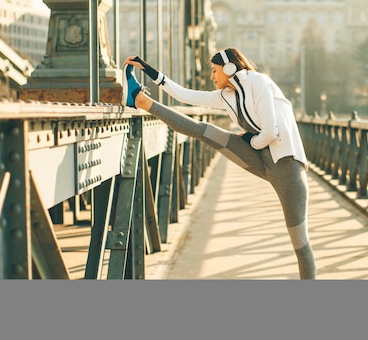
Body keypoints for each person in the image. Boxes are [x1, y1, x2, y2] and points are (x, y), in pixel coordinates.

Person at [122, 48, 316, 280]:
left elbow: (270, 131)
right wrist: (150, 70)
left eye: (214, 71)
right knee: (208, 132)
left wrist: (249, 141)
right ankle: (141, 100)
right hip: (261, 159)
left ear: (230, 67)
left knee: (300, 243)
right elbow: (184, 95)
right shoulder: (226, 95)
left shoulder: (259, 82)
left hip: (286, 167)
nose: (212, 76)